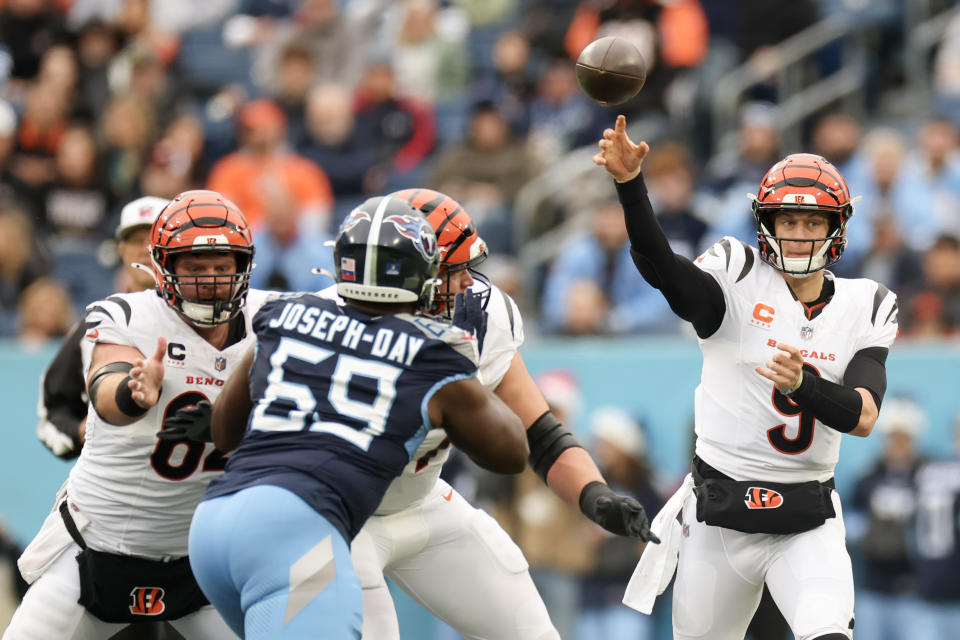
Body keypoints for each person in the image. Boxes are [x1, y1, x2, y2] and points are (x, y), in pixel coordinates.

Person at [599, 116, 899, 639]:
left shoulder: (865, 304)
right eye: (789, 222)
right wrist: (631, 188)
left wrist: (803, 385)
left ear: (836, 228)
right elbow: (664, 270)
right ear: (768, 224)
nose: (801, 235)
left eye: (813, 223)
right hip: (720, 516)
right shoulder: (737, 274)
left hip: (807, 518)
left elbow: (864, 415)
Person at [185, 195, 529, 639]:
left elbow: (224, 432)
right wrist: (462, 360)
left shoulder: (285, 314)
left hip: (215, 525)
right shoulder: (429, 354)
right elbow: (511, 451)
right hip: (296, 535)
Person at [338, 188, 657, 639]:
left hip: (422, 500)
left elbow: (542, 435)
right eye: (454, 271)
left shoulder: (482, 316)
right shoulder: (329, 323)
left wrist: (594, 495)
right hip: (343, 514)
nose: (469, 283)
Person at [4, 190, 271, 640]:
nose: (210, 282)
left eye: (222, 268)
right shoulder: (127, 315)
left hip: (199, 558)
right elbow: (106, 386)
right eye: (195, 268)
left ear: (243, 266)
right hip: (98, 547)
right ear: (163, 267)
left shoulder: (272, 317)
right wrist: (133, 393)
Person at [36, 195, 169, 460]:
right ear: (122, 250)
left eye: (154, 239)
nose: (145, 248)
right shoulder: (94, 326)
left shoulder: (206, 322)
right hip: (114, 484)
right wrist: (78, 431)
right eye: (135, 240)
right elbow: (52, 412)